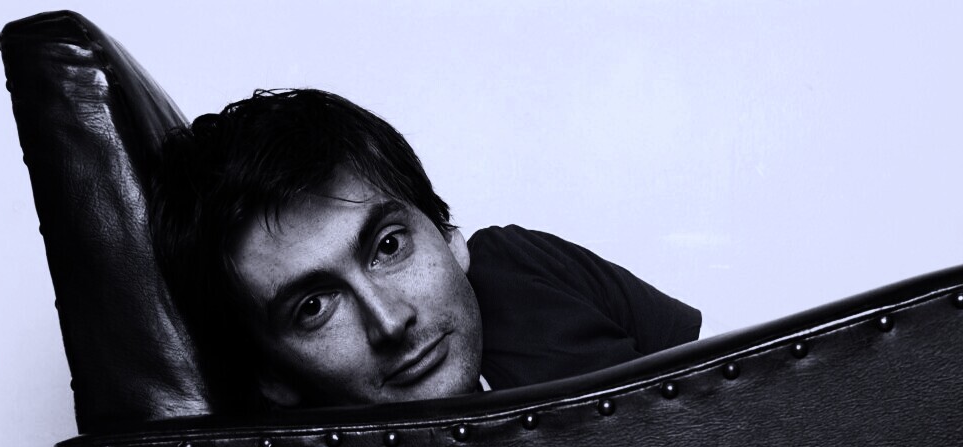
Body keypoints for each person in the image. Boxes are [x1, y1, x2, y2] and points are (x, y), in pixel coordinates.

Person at [149, 88, 701, 411]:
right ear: (270, 377)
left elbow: (730, 393)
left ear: (447, 234)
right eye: (313, 307)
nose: (389, 321)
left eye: (389, 246)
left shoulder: (523, 264)